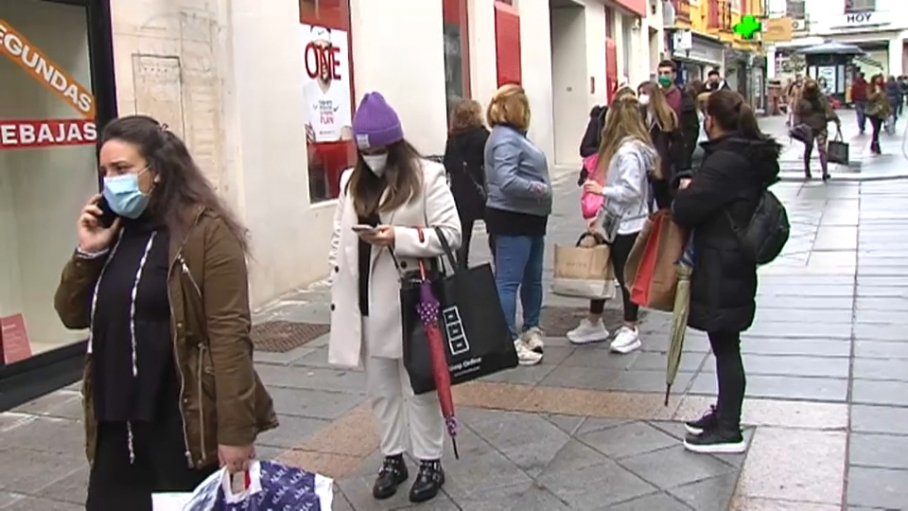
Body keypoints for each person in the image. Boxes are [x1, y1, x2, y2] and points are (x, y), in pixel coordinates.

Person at [53, 115, 278, 510]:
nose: (111, 181)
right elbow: (72, 314)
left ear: (155, 171)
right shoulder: (113, 231)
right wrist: (88, 252)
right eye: (105, 171)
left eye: (122, 169)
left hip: (180, 426)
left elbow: (229, 337)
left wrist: (236, 431)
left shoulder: (205, 232)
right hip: (115, 429)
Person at [327, 92, 461, 503]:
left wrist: (398, 238)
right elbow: (338, 234)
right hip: (364, 303)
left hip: (410, 302)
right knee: (381, 389)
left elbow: (450, 234)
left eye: (380, 150)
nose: (373, 158)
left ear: (395, 145)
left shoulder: (426, 177)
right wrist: (335, 272)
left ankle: (429, 460)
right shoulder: (351, 181)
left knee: (419, 384)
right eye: (365, 150)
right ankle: (392, 457)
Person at [672, 90, 782, 453]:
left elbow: (687, 209)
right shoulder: (743, 155)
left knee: (725, 344)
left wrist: (686, 191)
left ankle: (729, 427)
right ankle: (724, 414)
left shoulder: (726, 162)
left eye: (706, 115)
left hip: (723, 261)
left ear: (713, 120)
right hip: (731, 259)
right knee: (725, 343)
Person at [567, 95, 657, 353]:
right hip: (617, 220)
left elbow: (630, 191)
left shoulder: (628, 153)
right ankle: (595, 321)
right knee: (604, 269)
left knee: (624, 275)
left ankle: (629, 327)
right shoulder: (628, 150)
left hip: (627, 224)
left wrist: (602, 190)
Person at [484, 84, 553, 366]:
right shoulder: (505, 140)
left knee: (532, 277)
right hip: (512, 217)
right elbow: (506, 179)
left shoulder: (514, 137)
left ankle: (531, 328)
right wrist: (539, 189)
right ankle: (508, 339)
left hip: (530, 218)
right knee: (509, 280)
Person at [443, 99, 492, 268]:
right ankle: (499, 262)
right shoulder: (483, 136)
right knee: (494, 230)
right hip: (483, 190)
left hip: (460, 192)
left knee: (463, 234)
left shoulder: (453, 139)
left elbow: (448, 164)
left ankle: (461, 269)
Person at [638, 80, 686, 209]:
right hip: (642, 163)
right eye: (640, 93)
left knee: (663, 202)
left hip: (660, 166)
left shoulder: (666, 115)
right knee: (645, 202)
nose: (641, 97)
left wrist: (669, 157)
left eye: (644, 93)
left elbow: (677, 140)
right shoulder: (639, 115)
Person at [578, 86, 636, 184]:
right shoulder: (599, 118)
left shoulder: (635, 124)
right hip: (600, 175)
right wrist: (609, 152)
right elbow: (585, 149)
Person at [656, 60, 700, 174]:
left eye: (666, 73)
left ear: (674, 75)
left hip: (678, 158)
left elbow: (692, 129)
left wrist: (686, 150)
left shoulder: (684, 100)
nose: (662, 77)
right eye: (660, 73)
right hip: (658, 156)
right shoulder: (655, 98)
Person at [795, 78, 840, 181]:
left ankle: (819, 172)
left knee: (815, 149)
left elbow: (797, 112)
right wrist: (835, 119)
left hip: (815, 127)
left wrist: (835, 119)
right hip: (813, 127)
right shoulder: (816, 98)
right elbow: (828, 109)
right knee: (817, 150)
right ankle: (817, 171)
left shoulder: (805, 98)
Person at [866, 74, 890, 155]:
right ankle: (876, 145)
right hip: (873, 111)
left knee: (878, 129)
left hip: (880, 112)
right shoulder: (870, 87)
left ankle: (873, 144)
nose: (879, 80)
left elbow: (885, 100)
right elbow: (869, 98)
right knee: (875, 128)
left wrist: (888, 110)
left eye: (880, 78)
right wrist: (876, 93)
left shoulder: (883, 88)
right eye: (878, 78)